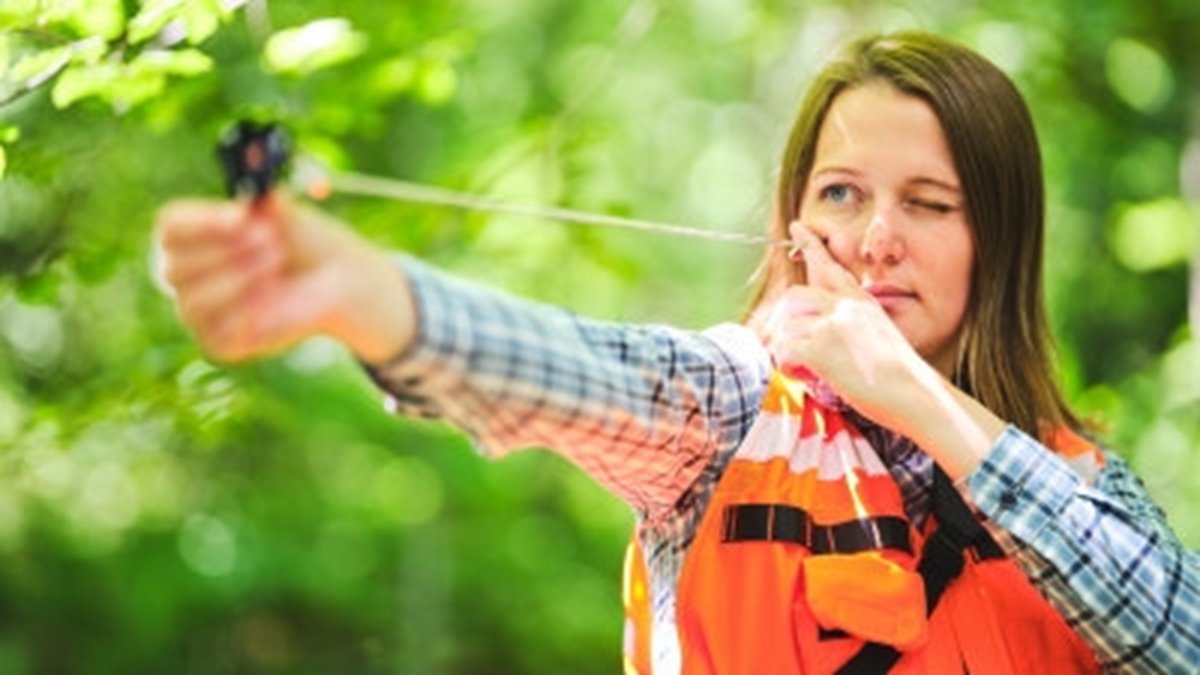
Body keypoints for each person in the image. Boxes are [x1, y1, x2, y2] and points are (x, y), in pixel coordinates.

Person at [156, 31, 1198, 674]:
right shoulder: (734, 405)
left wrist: (919, 400)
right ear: (793, 218)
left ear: (997, 245)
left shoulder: (1080, 485)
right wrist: (374, 299)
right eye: (841, 193)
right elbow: (583, 373)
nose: (877, 235)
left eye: (928, 204)